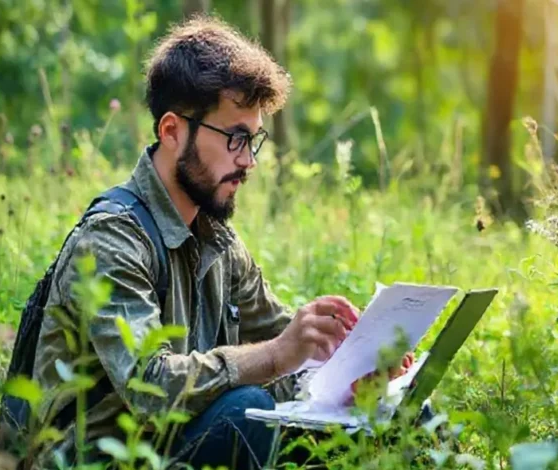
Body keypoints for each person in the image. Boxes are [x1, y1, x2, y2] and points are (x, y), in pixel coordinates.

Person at [27, 16, 413, 470]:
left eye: (254, 140)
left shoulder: (219, 242)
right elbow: (149, 387)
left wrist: (347, 372)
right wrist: (277, 354)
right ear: (171, 132)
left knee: (380, 423)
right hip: (96, 459)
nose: (248, 161)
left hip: (169, 449)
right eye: (235, 138)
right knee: (241, 415)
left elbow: (284, 359)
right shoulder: (112, 239)